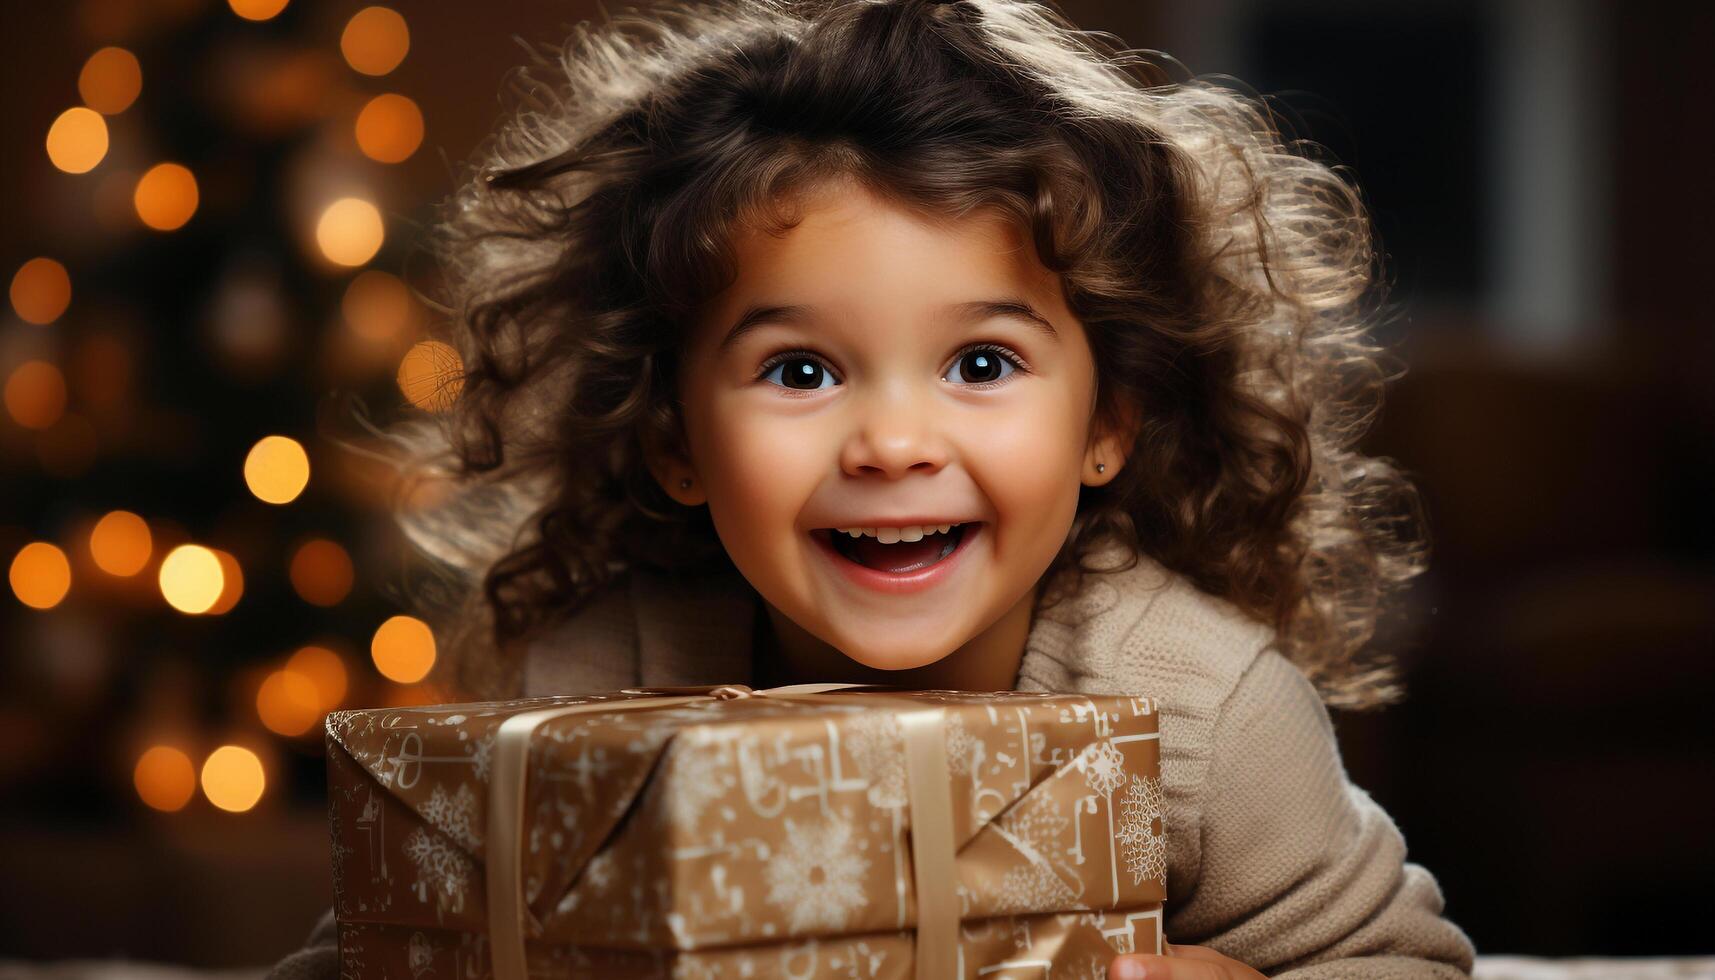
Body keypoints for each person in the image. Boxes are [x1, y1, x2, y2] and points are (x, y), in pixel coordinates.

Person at [271, 0, 1477, 976]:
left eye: (980, 363)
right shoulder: (602, 675)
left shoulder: (1206, 713)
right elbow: (386, 942)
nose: (892, 442)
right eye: (799, 370)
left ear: (1108, 419)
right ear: (672, 436)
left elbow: (1398, 961)